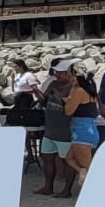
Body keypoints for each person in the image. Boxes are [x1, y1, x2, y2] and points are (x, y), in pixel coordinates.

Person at [33, 58, 79, 197]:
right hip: (51, 126)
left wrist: (58, 94)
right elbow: (44, 101)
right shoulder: (53, 83)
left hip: (65, 128)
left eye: (61, 73)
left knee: (68, 160)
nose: (58, 76)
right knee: (47, 157)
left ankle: (67, 189)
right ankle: (48, 186)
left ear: (68, 73)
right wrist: (37, 93)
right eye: (56, 73)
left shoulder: (74, 86)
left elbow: (70, 105)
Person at [55, 60, 100, 198]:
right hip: (87, 130)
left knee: (89, 167)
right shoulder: (90, 92)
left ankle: (95, 194)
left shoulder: (79, 91)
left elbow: (68, 111)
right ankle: (82, 172)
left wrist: (67, 99)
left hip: (81, 132)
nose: (69, 80)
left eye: (70, 77)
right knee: (69, 158)